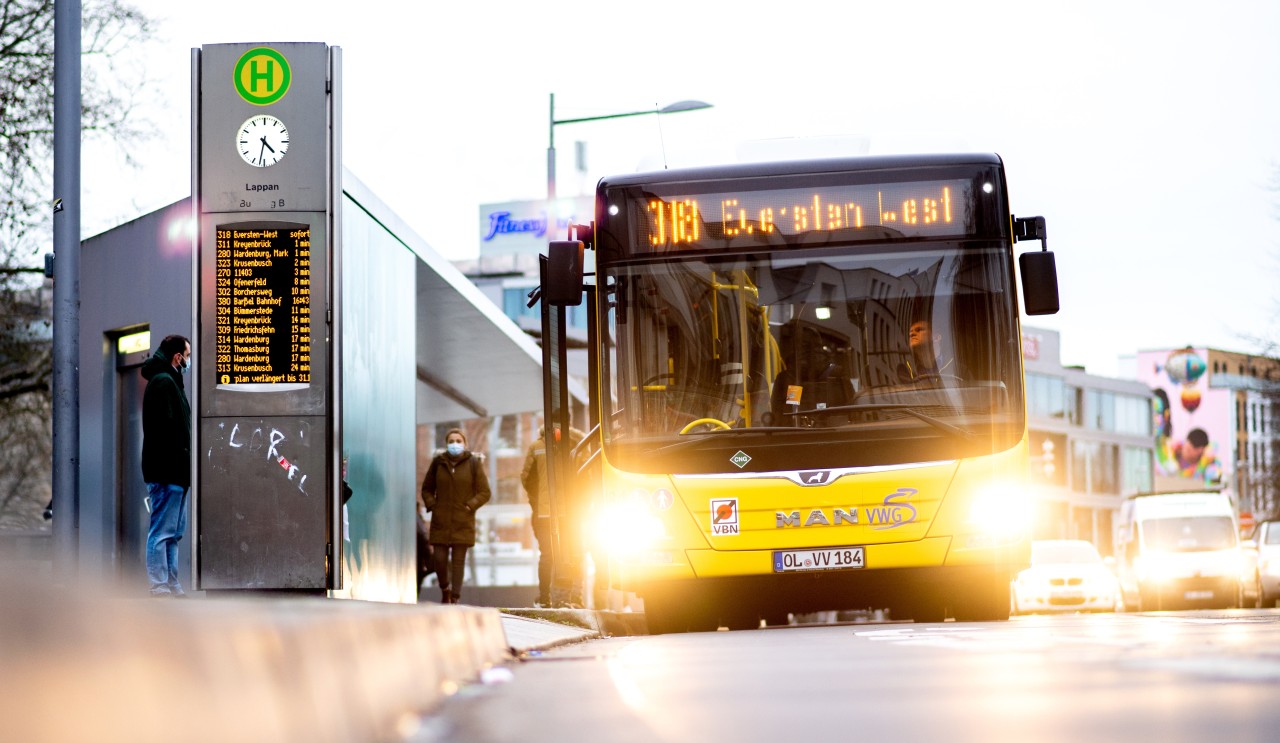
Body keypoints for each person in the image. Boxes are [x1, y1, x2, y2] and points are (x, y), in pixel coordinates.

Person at [140, 334, 192, 597]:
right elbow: (165, 431)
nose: (188, 360)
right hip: (167, 472)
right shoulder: (164, 383)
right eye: (187, 355)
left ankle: (171, 584)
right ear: (177, 357)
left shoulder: (171, 382)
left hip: (176, 474)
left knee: (173, 533)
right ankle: (160, 585)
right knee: (162, 532)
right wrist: (178, 463)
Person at [421, 428, 491, 604]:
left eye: (458, 441)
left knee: (459, 562)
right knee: (439, 561)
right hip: (441, 521)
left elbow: (485, 492)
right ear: (446, 444)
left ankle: (455, 597)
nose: (455, 444)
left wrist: (469, 506)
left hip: (463, 521)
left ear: (465, 443)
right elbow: (427, 489)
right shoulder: (438, 462)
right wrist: (433, 505)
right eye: (451, 441)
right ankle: (445, 588)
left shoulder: (474, 463)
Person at [520, 425, 585, 607]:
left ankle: (556, 598)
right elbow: (526, 477)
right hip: (554, 513)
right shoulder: (540, 447)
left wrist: (538, 501)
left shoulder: (562, 445)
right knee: (557, 554)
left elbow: (526, 478)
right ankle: (555, 597)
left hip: (557, 512)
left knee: (559, 554)